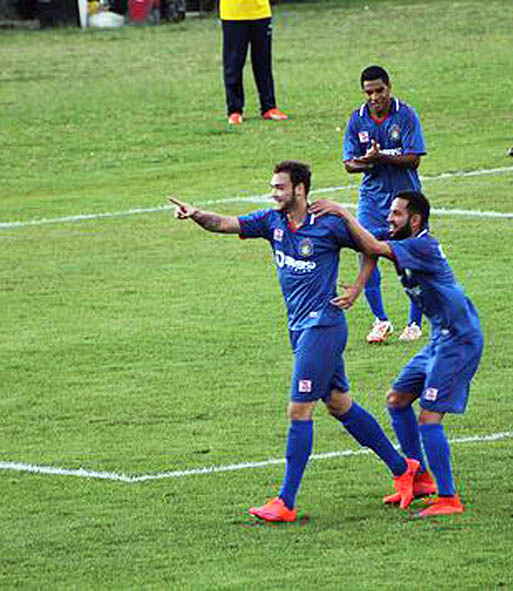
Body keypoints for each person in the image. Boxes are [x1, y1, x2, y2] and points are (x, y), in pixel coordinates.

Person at [168, 160, 418, 522]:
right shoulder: (272, 223)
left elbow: (371, 248)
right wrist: (195, 213)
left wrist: (358, 287)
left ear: (299, 190)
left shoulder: (329, 224)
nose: (273, 194)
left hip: (324, 327)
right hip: (299, 328)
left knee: (299, 410)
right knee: (339, 404)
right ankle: (402, 469)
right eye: (272, 188)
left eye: (279, 188)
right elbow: (224, 223)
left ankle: (285, 501)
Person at [310, 191, 483, 518]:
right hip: (439, 338)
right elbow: (370, 247)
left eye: (397, 214)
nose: (390, 218)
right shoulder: (405, 241)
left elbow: (373, 247)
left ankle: (448, 499)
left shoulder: (422, 246)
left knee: (429, 418)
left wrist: (341, 212)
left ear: (414, 220)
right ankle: (419, 480)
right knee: (398, 399)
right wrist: (358, 286)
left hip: (459, 340)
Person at [343, 65, 427, 343]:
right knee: (367, 253)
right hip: (372, 201)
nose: (375, 97)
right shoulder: (357, 121)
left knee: (410, 258)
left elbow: (414, 158)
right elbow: (349, 164)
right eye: (369, 92)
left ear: (389, 87)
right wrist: (367, 161)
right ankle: (380, 320)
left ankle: (414, 323)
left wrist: (381, 158)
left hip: (406, 199)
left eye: (379, 90)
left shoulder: (406, 115)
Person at [220, 0, 288, 125]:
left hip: (261, 12)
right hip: (233, 14)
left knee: (263, 62)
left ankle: (269, 107)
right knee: (233, 63)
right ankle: (234, 110)